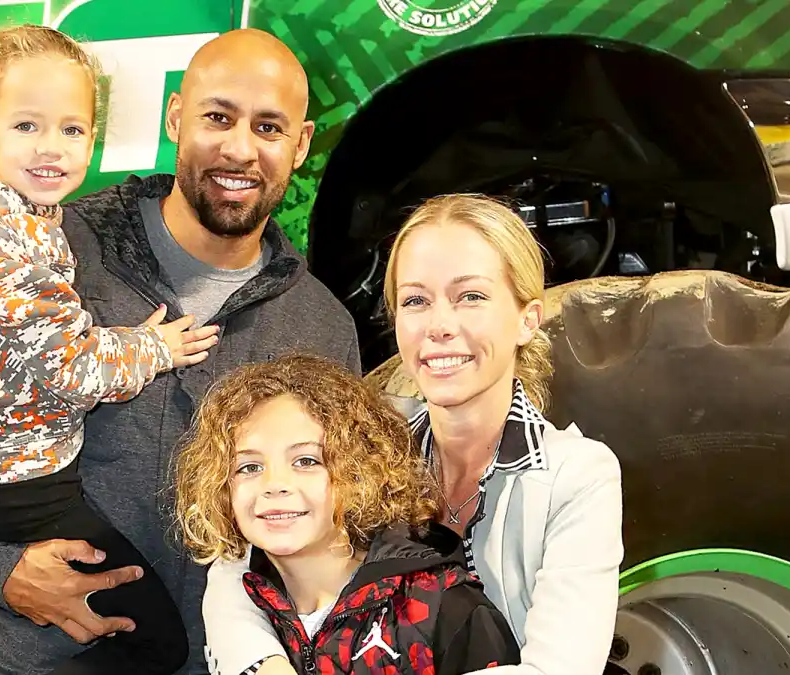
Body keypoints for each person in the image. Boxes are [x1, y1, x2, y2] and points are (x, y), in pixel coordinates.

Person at [0, 27, 362, 675]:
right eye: (218, 117)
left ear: (300, 145)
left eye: (269, 128)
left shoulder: (320, 326)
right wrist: (0, 570)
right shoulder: (43, 250)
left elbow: (340, 524)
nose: (241, 148)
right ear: (177, 116)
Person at [0, 24, 224, 674]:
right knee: (160, 640)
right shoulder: (12, 239)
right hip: (23, 481)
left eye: (72, 129)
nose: (52, 148)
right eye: (27, 127)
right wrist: (153, 346)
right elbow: (74, 368)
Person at [201, 194, 625, 675]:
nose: (439, 326)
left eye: (471, 297)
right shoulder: (370, 438)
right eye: (416, 301)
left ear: (528, 318)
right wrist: (264, 665)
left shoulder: (577, 476)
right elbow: (235, 566)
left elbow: (559, 669)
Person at [174, 353, 522, 674]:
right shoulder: (242, 607)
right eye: (249, 467)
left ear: (359, 472)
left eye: (306, 461)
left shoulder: (446, 609)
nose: (274, 484)